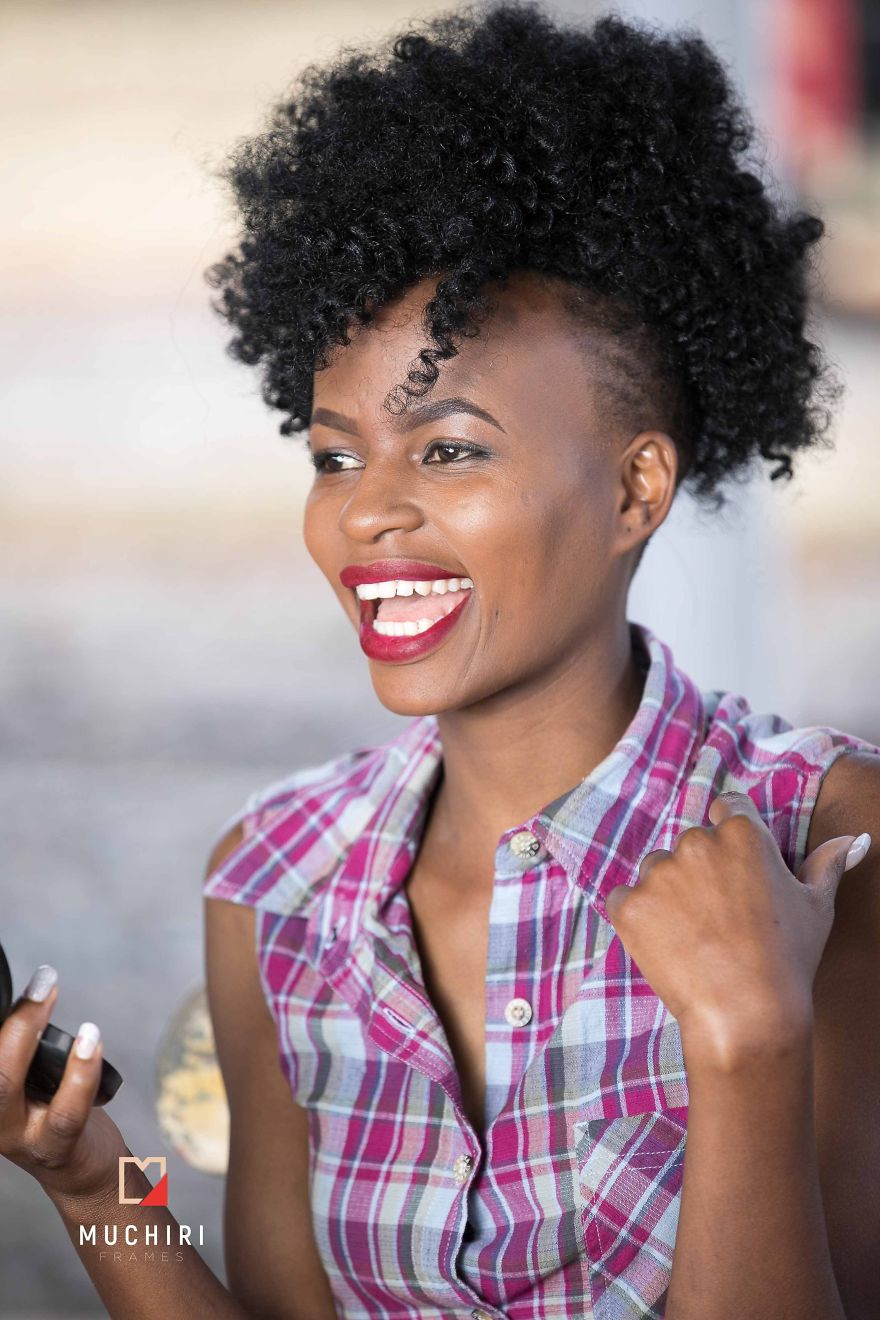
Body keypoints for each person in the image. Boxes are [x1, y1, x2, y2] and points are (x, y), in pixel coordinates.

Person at [2, 4, 879, 1317]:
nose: (365, 514)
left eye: (451, 448)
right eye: (336, 456)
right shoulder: (278, 881)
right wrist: (87, 1179)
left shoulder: (824, 842)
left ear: (638, 489)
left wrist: (748, 1039)